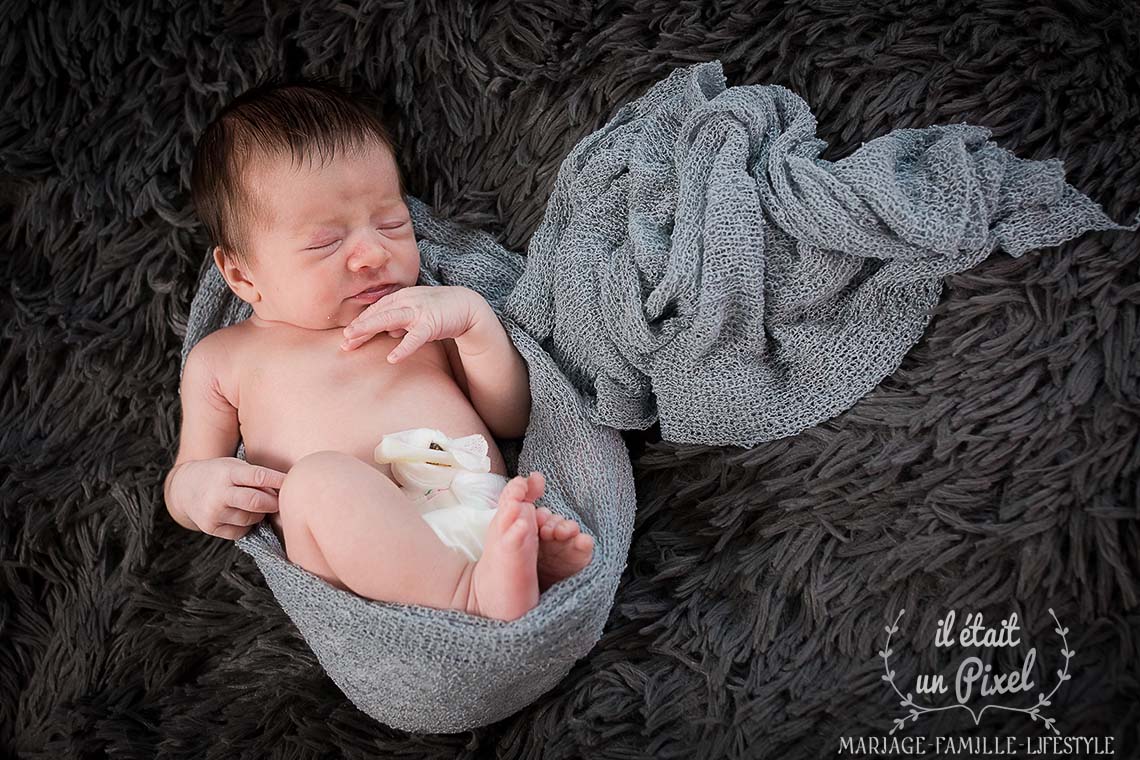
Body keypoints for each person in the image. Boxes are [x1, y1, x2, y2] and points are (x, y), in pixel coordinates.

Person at [164, 78, 593, 621]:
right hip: (359, 554)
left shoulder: (417, 316)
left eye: (393, 224)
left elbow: (511, 419)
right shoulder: (224, 360)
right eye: (325, 242)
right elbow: (185, 476)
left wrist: (473, 325)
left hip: (476, 505)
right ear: (242, 274)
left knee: (510, 509)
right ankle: (469, 594)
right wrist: (198, 490)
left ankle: (515, 561)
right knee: (315, 484)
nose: (372, 253)